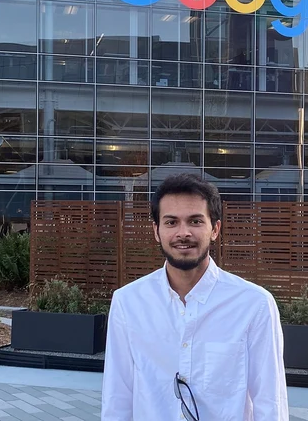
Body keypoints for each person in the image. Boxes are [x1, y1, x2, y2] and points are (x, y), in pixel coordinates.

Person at [100, 173, 289, 420]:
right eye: (171, 222)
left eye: (195, 221)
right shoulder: (128, 303)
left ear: (215, 229)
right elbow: (117, 396)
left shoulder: (254, 305)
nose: (183, 232)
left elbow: (270, 401)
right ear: (156, 231)